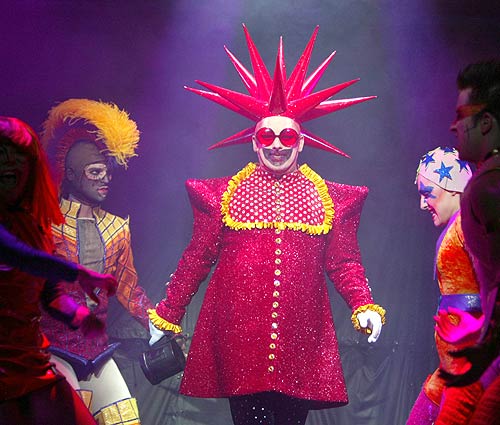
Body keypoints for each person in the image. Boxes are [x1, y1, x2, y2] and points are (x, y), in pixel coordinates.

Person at [148, 25, 386, 425]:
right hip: (240, 338)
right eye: (267, 136)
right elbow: (197, 257)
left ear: (301, 143)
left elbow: (343, 262)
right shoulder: (221, 195)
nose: (276, 144)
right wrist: (168, 314)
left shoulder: (331, 198)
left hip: (301, 339)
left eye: (287, 137)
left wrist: (363, 304)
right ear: (254, 142)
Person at [40, 99, 154, 425]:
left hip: (96, 352)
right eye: (95, 172)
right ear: (72, 175)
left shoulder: (117, 228)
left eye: (107, 172)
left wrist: (158, 324)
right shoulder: (45, 224)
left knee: (125, 419)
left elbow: (130, 290)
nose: (105, 179)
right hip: (49, 349)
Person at [0, 116, 117, 424]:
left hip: (30, 363)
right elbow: (20, 256)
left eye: (17, 154)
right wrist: (80, 273)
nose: (8, 161)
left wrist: (80, 317)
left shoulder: (34, 225)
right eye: (0, 152)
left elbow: (51, 293)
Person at [436, 59, 500, 425]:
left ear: (486, 122)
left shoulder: (488, 185)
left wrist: (487, 345)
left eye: (461, 115)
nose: (453, 126)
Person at [407, 147, 483, 424]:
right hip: (450, 369)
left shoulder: (469, 224)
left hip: (469, 371)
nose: (422, 204)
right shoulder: (459, 226)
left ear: (453, 189)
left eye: (427, 193)